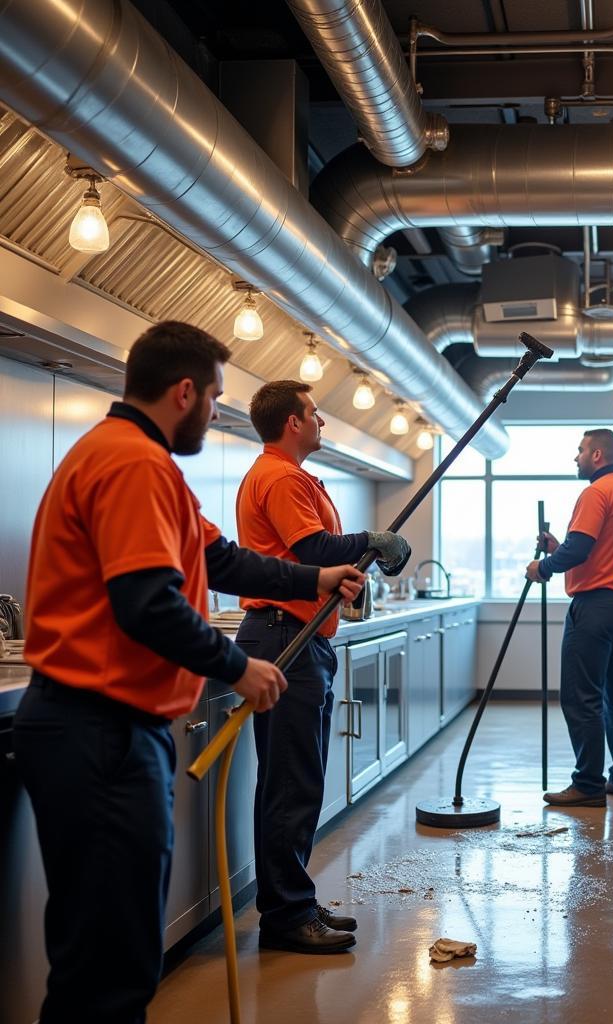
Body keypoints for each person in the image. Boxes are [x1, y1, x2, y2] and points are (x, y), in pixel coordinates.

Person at [13, 322, 366, 1024]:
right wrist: (240, 667)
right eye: (213, 398)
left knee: (108, 953)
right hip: (99, 729)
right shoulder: (133, 464)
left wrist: (316, 573)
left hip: (105, 728)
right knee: (108, 966)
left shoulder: (140, 461)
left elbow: (225, 560)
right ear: (184, 391)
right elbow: (147, 602)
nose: (214, 412)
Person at [235, 380, 410, 954]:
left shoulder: (289, 475)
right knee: (291, 782)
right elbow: (310, 550)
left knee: (295, 780)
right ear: (291, 422)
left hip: (298, 636)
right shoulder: (282, 477)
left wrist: (359, 553)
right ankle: (287, 915)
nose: (321, 422)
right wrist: (371, 540)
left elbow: (310, 552)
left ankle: (295, 901)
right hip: (287, 638)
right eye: (314, 413)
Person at [525, 428, 613, 808]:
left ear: (597, 455)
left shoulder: (596, 492)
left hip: (595, 607)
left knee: (582, 698)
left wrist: (542, 567)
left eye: (580, 450)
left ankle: (588, 784)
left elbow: (580, 548)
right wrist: (558, 547)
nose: (575, 457)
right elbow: (594, 550)